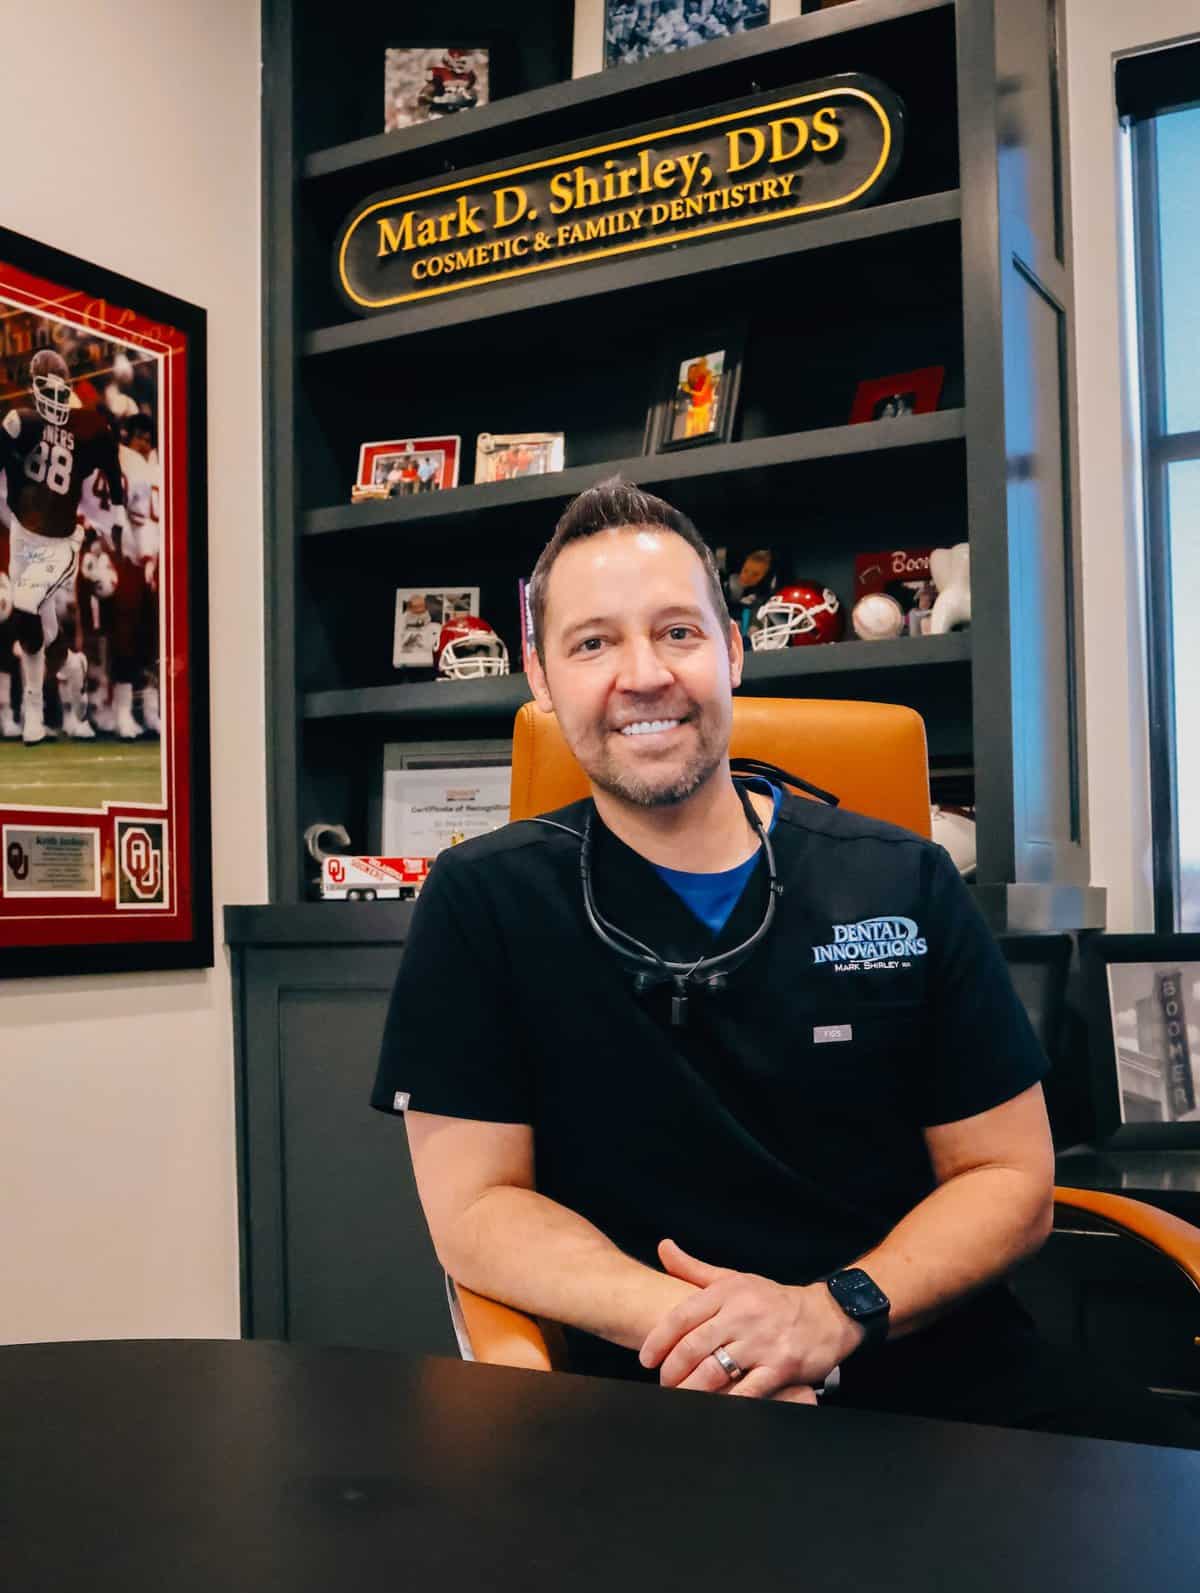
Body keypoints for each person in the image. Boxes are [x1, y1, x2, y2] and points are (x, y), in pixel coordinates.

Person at [372, 477, 1199, 1449]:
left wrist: (826, 1316)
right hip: (654, 1396)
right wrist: (711, 1342)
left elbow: (1009, 1181)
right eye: (593, 642)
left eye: (678, 632)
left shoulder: (904, 881)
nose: (643, 674)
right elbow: (476, 1206)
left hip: (934, 1375)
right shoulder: (483, 903)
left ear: (733, 649)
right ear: (542, 680)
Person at [1, 347, 126, 745]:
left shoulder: (83, 431)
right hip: (22, 533)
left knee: (25, 606)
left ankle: (33, 712)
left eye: (61, 393)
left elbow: (105, 474)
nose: (54, 400)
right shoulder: (21, 421)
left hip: (58, 542)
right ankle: (72, 667)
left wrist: (113, 520)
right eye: (46, 390)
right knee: (37, 632)